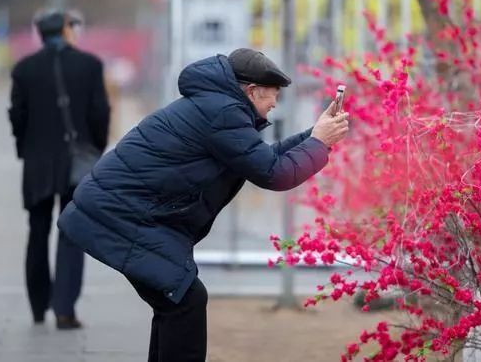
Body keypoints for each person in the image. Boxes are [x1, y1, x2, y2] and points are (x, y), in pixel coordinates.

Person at [57, 48, 349, 361]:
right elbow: (274, 174)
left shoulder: (218, 107)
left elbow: (265, 158)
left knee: (176, 301)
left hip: (128, 212)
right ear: (251, 92)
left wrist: (315, 135)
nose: (275, 104)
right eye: (271, 97)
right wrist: (319, 143)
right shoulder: (223, 114)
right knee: (185, 300)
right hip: (124, 215)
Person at [8, 9, 111, 329]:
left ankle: (38, 307)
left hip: (37, 163)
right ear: (66, 30)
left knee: (37, 233)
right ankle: (64, 309)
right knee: (71, 232)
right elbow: (99, 112)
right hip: (76, 162)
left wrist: (25, 148)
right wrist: (95, 147)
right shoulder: (90, 65)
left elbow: (17, 116)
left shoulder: (24, 69)